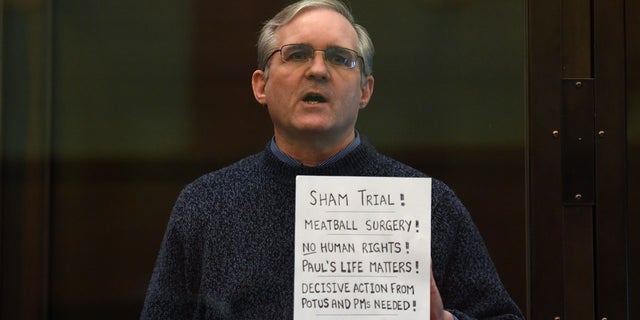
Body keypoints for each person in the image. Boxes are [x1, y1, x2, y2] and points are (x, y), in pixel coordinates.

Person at [141, 0, 524, 319]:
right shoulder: (205, 205)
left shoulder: (431, 204)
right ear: (261, 85)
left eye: (341, 58)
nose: (319, 70)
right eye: (297, 54)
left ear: (365, 91)